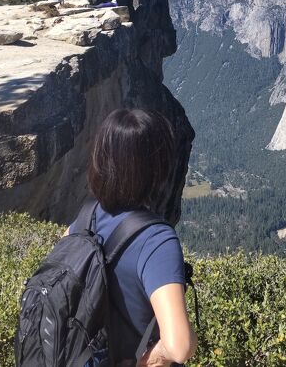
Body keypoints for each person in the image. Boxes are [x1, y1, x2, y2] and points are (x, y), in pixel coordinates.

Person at [67, 109, 197, 366]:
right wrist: (151, 359)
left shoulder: (83, 218)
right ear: (156, 167)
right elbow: (179, 346)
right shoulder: (156, 241)